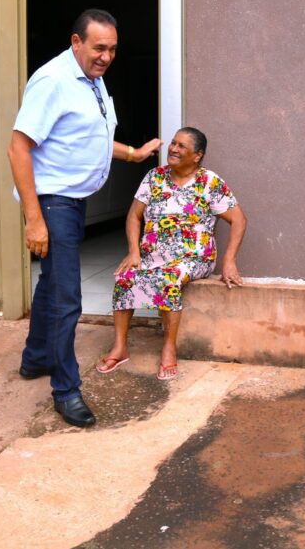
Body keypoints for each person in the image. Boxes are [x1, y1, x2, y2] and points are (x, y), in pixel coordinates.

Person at [7, 8, 161, 428]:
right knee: (66, 297)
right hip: (53, 201)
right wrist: (34, 219)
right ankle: (66, 390)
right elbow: (18, 148)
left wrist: (132, 153)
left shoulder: (92, 79)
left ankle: (35, 358)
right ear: (76, 42)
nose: (106, 56)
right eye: (99, 48)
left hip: (74, 200)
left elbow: (89, 137)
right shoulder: (53, 81)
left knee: (51, 285)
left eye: (112, 49)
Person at [97, 127, 247, 380]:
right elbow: (134, 216)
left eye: (181, 146)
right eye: (173, 143)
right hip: (152, 256)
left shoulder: (209, 182)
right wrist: (134, 252)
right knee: (125, 277)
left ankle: (169, 348)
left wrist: (229, 260)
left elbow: (239, 220)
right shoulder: (154, 177)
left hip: (194, 257)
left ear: (197, 155)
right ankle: (120, 347)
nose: (174, 149)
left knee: (169, 278)